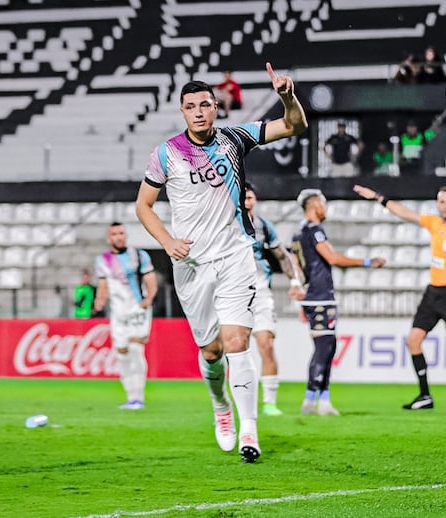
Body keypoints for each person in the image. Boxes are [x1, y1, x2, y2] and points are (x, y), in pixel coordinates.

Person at [135, 62, 307, 463]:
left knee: (237, 342)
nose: (198, 111)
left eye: (205, 104)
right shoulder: (166, 154)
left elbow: (292, 126)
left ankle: (250, 430)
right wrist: (167, 241)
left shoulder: (235, 138)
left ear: (216, 108)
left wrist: (287, 96)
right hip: (192, 264)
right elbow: (143, 206)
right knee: (211, 351)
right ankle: (220, 406)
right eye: (190, 106)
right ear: (182, 111)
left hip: (235, 255)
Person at [352, 184, 446, 415]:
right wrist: (378, 197)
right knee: (412, 341)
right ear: (437, 203)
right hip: (432, 293)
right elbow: (405, 213)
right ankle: (425, 395)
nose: (445, 205)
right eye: (442, 201)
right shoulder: (433, 223)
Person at [290, 189, 386, 415]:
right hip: (320, 295)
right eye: (324, 203)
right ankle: (309, 400)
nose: (326, 208)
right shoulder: (314, 230)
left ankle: (323, 400)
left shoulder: (298, 232)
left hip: (313, 295)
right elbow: (333, 258)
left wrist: (297, 284)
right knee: (324, 347)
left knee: (329, 347)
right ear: (315, 205)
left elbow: (295, 263)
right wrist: (367, 261)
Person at [244, 182, 304, 417]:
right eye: (244, 198)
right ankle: (235, 401)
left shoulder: (264, 226)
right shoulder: (226, 223)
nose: (248, 202)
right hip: (233, 293)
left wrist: (295, 281)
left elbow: (282, 255)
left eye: (251, 198)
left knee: (266, 345)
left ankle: (269, 402)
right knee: (234, 350)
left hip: (261, 292)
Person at [94, 222, 157, 410]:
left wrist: (149, 298)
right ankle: (131, 397)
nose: (119, 237)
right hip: (118, 313)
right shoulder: (103, 259)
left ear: (126, 235)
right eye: (114, 234)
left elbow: (150, 279)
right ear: (109, 238)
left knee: (136, 350)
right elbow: (104, 284)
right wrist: (99, 300)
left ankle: (139, 397)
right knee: (122, 354)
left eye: (121, 233)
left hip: (138, 309)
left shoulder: (139, 255)